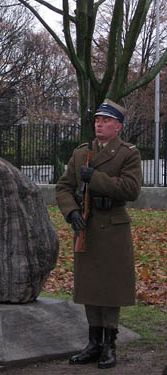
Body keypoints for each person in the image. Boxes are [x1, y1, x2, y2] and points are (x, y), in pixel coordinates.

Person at [55, 99, 142, 369]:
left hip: (114, 227)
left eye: (105, 121)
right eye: (97, 120)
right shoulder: (82, 153)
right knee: (90, 287)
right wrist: (71, 213)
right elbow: (63, 187)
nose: (99, 124)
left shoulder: (128, 154)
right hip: (87, 226)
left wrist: (96, 178)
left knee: (110, 288)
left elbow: (131, 189)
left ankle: (109, 344)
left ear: (118, 126)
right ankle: (93, 343)